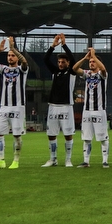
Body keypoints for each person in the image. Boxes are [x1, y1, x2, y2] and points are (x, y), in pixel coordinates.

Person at [0, 37, 29, 170]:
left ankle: (16, 160)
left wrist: (13, 48)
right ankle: (1, 160)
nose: (10, 57)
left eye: (12, 56)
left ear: (16, 57)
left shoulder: (22, 70)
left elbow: (25, 62)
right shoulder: (3, 69)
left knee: (17, 135)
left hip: (17, 107)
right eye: (9, 55)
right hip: (4, 107)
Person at [42, 33, 76, 168]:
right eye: (59, 62)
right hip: (53, 106)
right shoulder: (55, 71)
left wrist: (64, 44)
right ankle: (53, 159)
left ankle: (68, 159)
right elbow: (45, 59)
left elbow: (73, 59)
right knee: (51, 134)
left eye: (63, 62)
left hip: (66, 106)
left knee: (68, 134)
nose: (60, 64)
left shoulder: (72, 71)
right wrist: (52, 46)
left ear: (67, 63)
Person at [73, 48, 110, 168]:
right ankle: (86, 161)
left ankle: (105, 161)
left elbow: (103, 69)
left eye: (93, 61)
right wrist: (85, 58)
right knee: (86, 137)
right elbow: (74, 69)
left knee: (102, 137)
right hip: (87, 110)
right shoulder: (87, 74)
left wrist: (94, 55)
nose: (91, 63)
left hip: (99, 110)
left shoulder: (102, 75)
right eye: (90, 62)